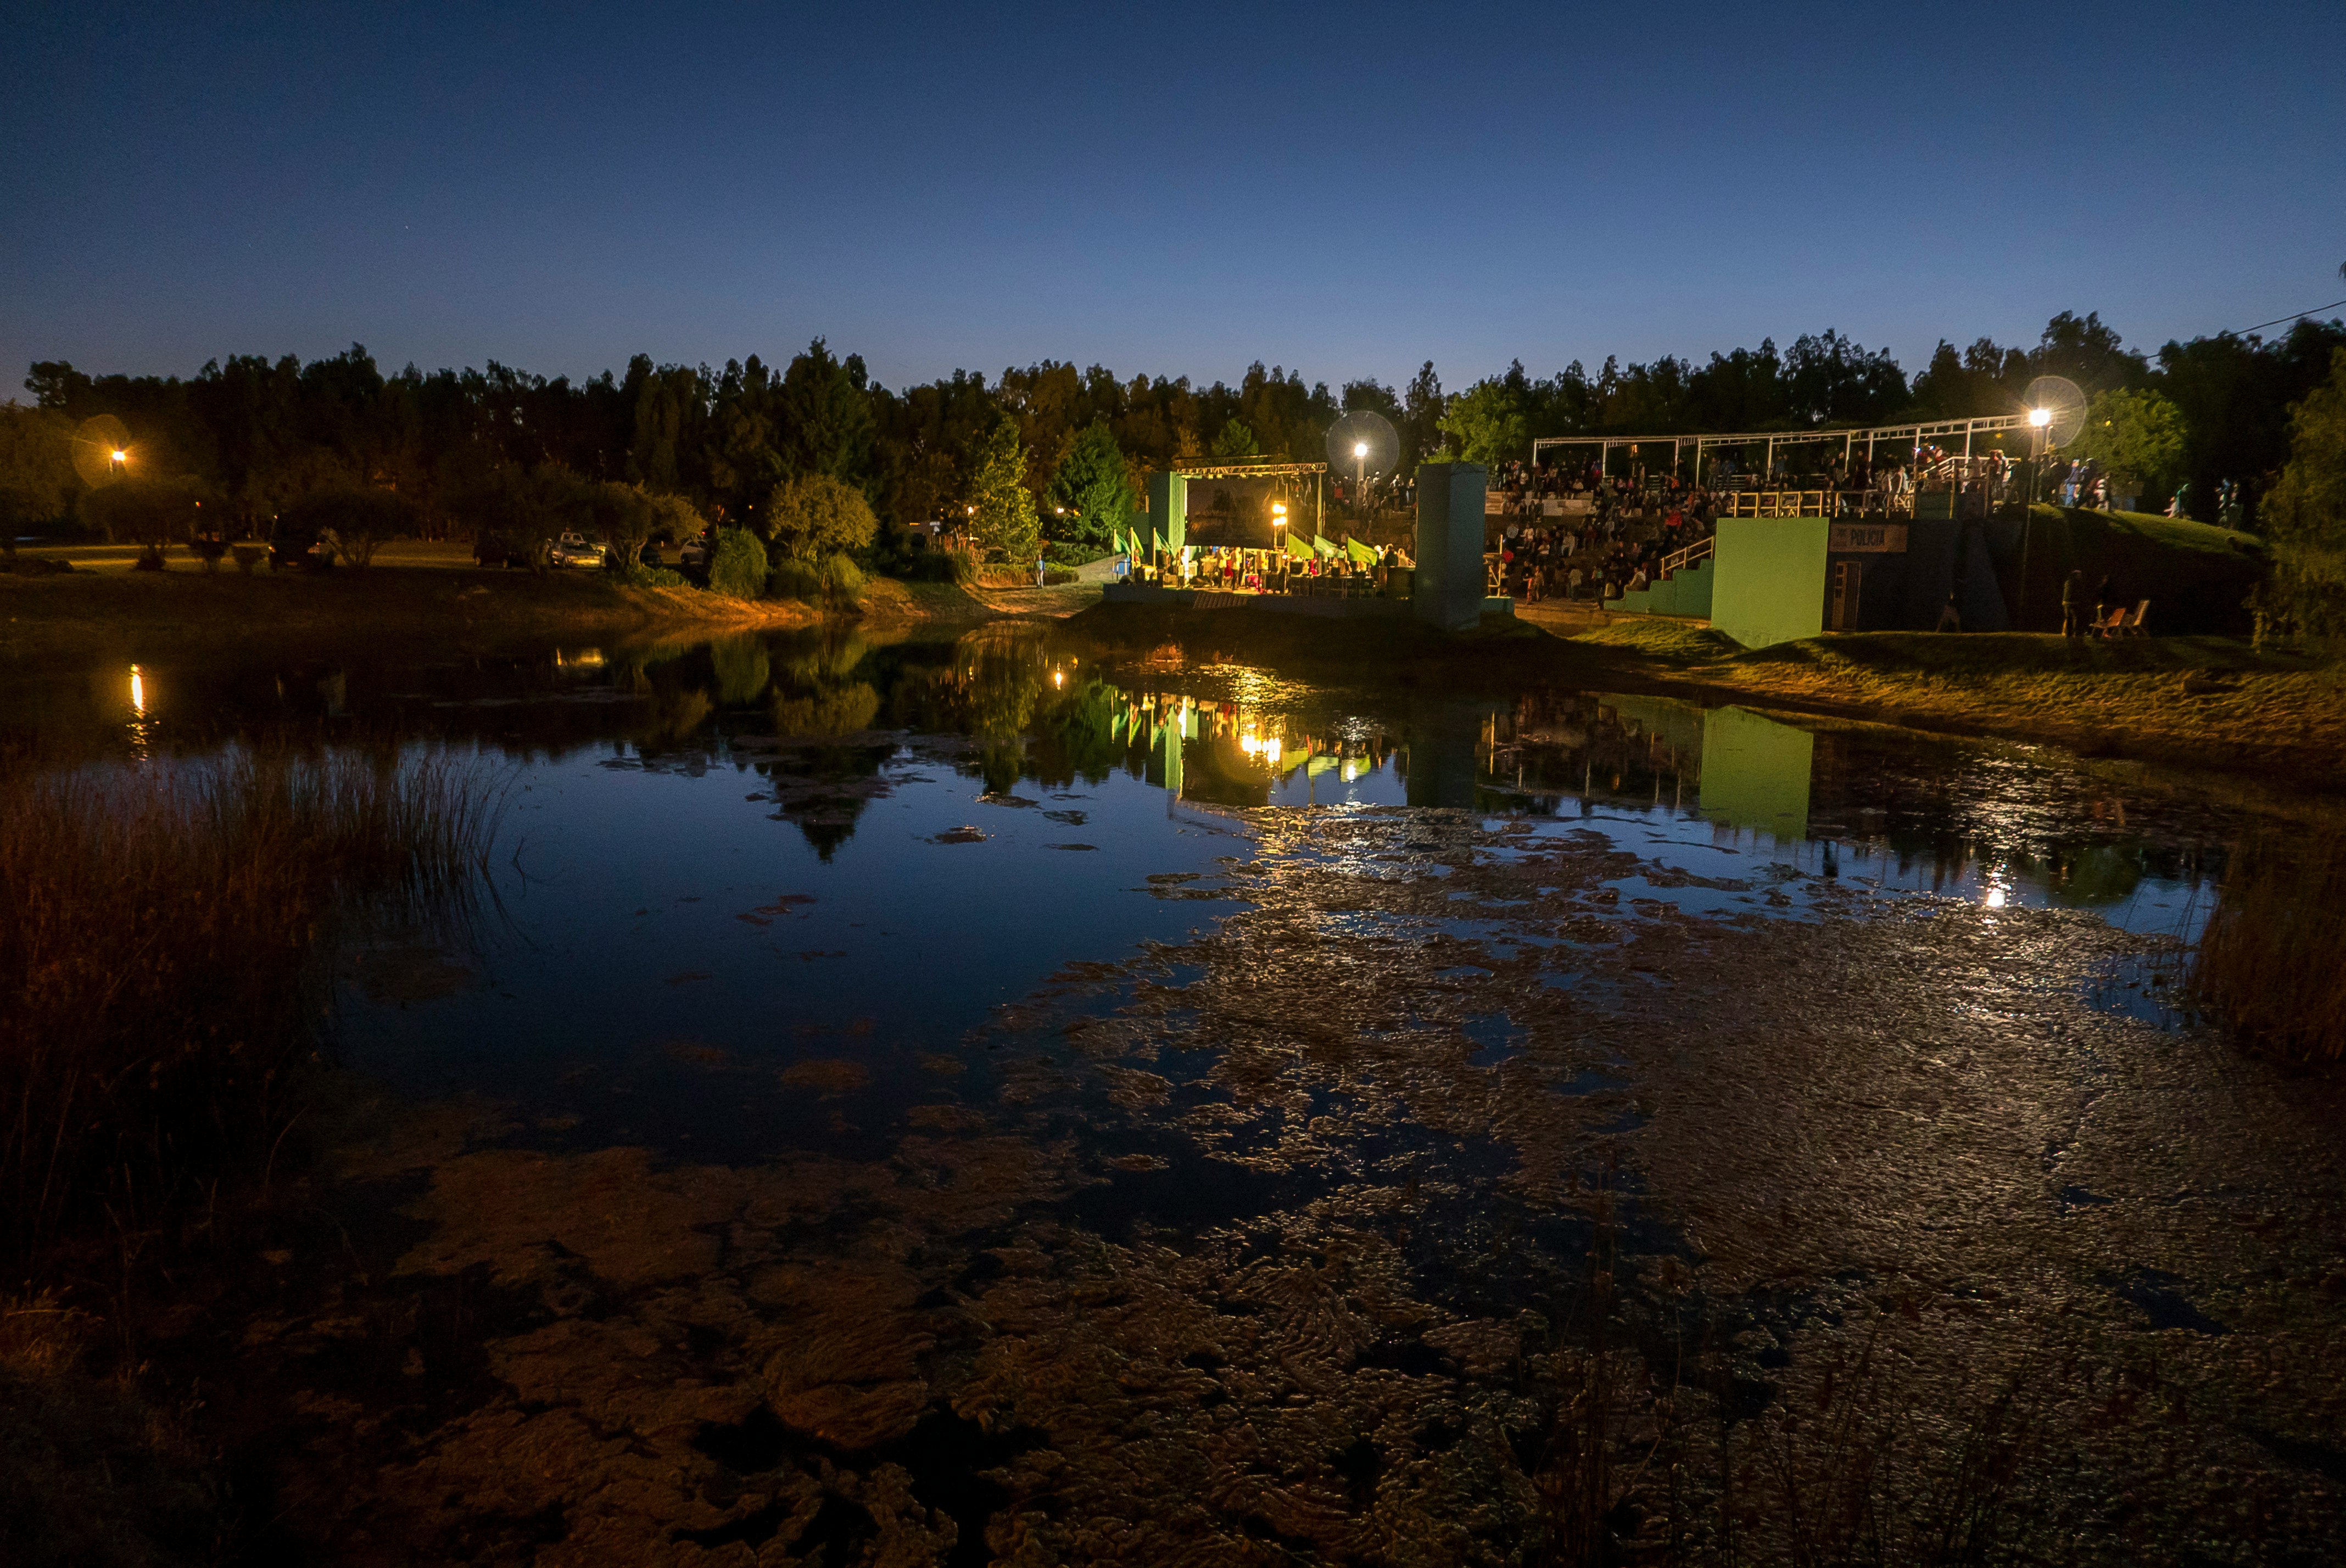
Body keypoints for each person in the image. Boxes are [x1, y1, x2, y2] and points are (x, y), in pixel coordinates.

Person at [2060, 568, 2086, 638]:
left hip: (2066, 602)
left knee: (2068, 618)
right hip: (2073, 603)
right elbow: (2078, 593)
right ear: (2076, 575)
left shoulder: (2067, 582)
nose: (2080, 576)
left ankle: (2068, 634)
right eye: (2079, 575)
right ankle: (2076, 634)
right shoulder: (2077, 583)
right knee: (2076, 618)